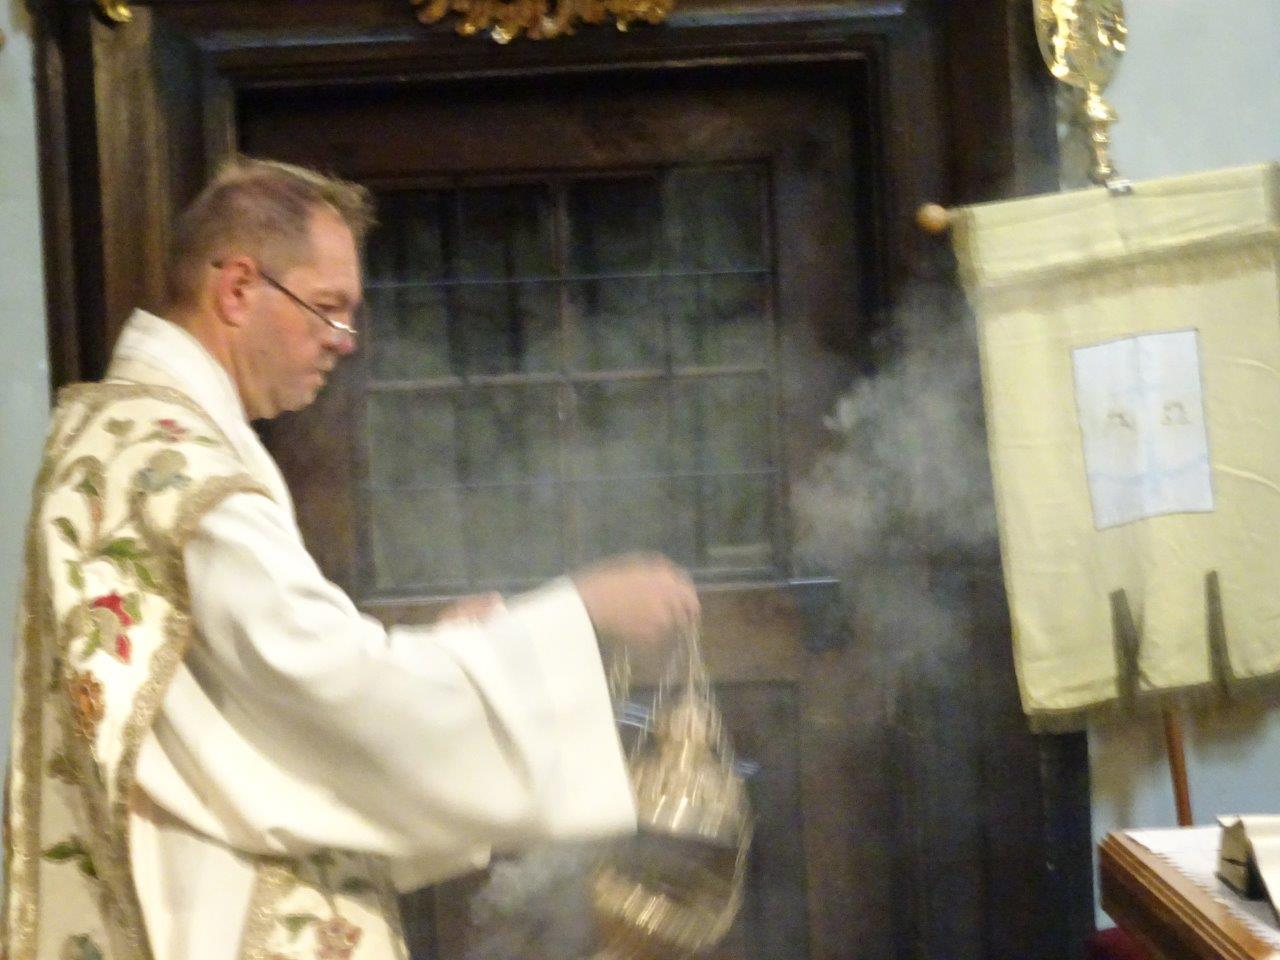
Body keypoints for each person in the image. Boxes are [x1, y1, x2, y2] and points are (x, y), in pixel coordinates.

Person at [3, 158, 700, 960]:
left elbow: (248, 695)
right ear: (238, 289)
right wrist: (575, 615)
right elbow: (328, 686)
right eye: (326, 307)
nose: (343, 340)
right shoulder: (179, 468)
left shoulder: (117, 434)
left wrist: (450, 650)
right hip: (206, 909)